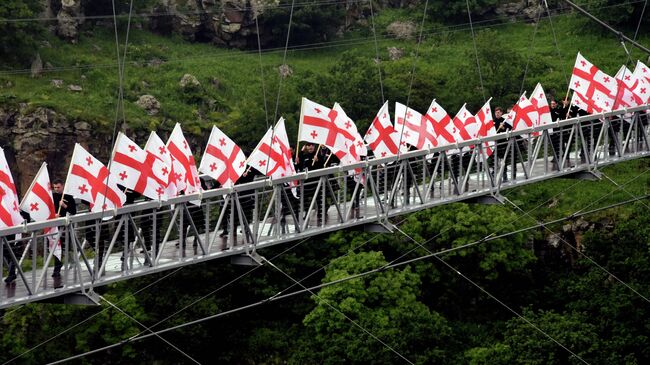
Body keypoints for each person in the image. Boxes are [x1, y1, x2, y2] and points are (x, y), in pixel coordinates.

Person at [51, 180, 76, 278]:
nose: (56, 189)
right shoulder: (52, 196)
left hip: (65, 227)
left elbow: (74, 211)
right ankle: (57, 267)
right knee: (56, 247)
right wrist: (54, 215)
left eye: (58, 187)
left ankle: (68, 263)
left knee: (65, 246)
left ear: (62, 186)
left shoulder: (68, 197)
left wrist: (64, 206)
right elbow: (49, 209)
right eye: (55, 187)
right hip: (55, 226)